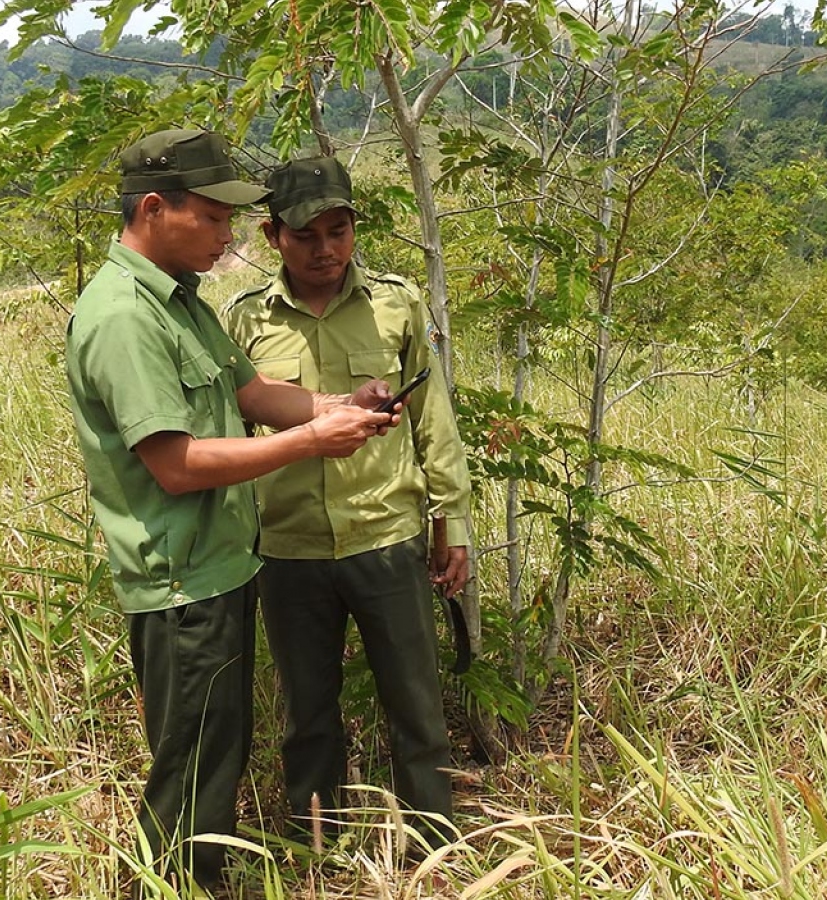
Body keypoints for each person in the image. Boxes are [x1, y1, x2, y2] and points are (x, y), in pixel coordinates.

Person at [64, 130, 397, 897]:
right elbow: (175, 465)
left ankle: (190, 879)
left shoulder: (180, 302)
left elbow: (250, 396)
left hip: (217, 568)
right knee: (191, 764)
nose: (226, 237)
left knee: (214, 752)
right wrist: (314, 440)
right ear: (155, 208)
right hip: (180, 580)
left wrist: (343, 405)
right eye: (213, 219)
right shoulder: (124, 317)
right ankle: (172, 886)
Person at [222, 156, 473, 850]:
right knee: (307, 712)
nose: (326, 249)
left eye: (340, 230)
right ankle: (314, 847)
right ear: (274, 237)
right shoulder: (245, 321)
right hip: (288, 547)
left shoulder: (395, 303)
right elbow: (230, 432)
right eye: (307, 235)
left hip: (385, 536)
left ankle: (434, 844)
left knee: (416, 706)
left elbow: (433, 418)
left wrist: (450, 525)